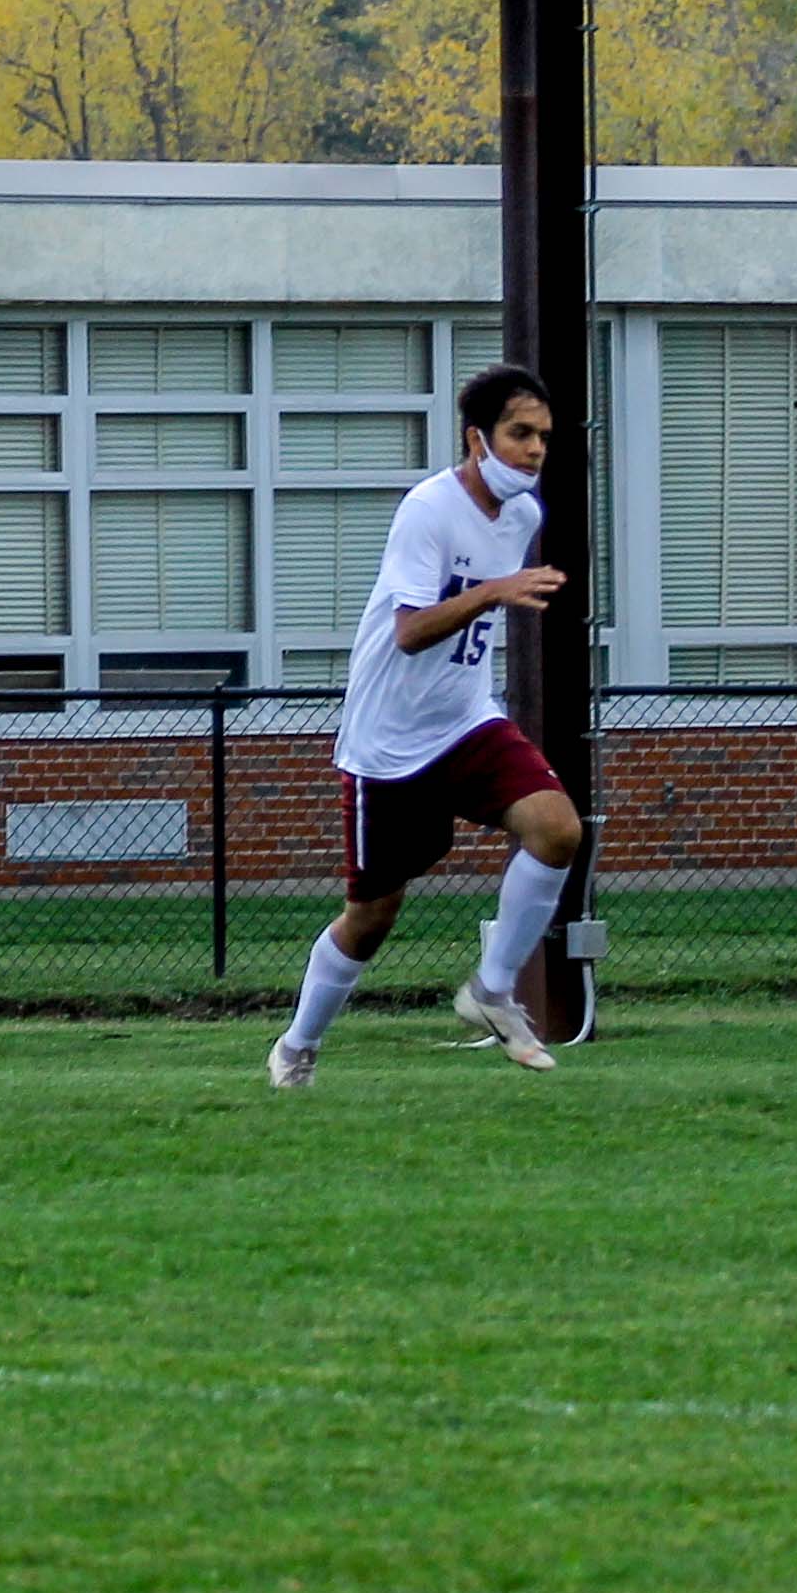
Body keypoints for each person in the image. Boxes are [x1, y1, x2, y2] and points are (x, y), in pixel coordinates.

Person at [269, 360, 585, 1087]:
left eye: (543, 436)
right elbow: (411, 631)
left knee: (558, 828)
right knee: (371, 916)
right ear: (476, 438)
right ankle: (297, 1047)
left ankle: (492, 991)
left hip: (465, 721)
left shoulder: (523, 514)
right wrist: (494, 592)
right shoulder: (428, 508)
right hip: (388, 742)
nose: (535, 450)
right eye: (519, 434)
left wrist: (494, 591)